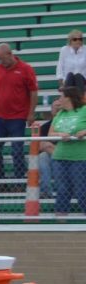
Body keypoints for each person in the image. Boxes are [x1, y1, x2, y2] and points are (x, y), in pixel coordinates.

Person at [0, 43, 39, 187]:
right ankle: (0, 181)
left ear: (10, 54)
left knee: (17, 151)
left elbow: (33, 92)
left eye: (2, 58)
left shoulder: (26, 69)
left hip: (17, 117)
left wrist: (31, 113)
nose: (0, 62)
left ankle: (19, 182)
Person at [49, 86, 86, 218]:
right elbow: (50, 133)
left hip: (80, 158)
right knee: (62, 190)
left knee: (82, 190)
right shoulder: (60, 114)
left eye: (61, 97)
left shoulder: (84, 110)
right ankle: (61, 219)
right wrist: (60, 134)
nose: (58, 100)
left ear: (68, 98)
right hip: (60, 156)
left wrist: (84, 131)